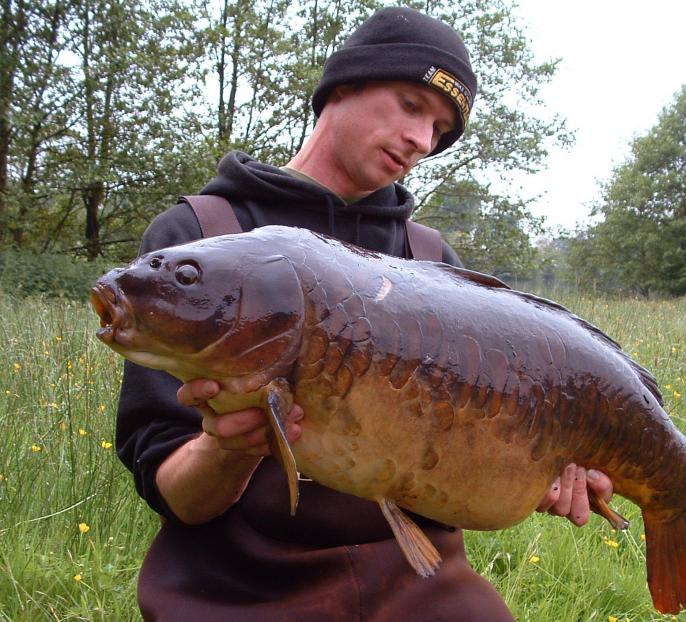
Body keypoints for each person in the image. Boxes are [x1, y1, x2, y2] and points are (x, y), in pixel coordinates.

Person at [115, 7, 614, 621]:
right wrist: (227, 448)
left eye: (439, 129)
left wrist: (531, 472)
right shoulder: (201, 238)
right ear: (342, 87)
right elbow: (174, 492)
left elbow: (453, 486)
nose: (422, 141)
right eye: (411, 104)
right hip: (239, 583)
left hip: (417, 578)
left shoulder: (432, 263)